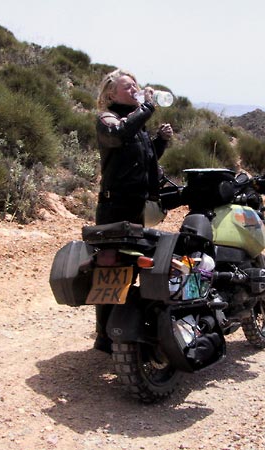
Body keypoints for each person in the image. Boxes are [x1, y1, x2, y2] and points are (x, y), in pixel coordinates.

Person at [93, 69, 174, 353]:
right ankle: (104, 338)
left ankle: (130, 328)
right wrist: (148, 107)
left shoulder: (136, 126)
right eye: (128, 87)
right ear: (110, 94)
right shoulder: (108, 119)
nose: (135, 90)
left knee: (134, 268)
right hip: (114, 208)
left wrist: (160, 143)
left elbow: (144, 159)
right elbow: (116, 136)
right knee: (111, 271)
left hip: (136, 208)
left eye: (135, 86)